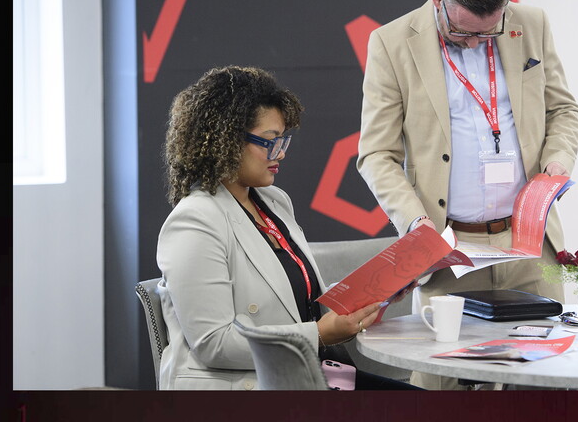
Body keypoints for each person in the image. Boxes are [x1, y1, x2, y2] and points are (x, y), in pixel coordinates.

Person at [357, 0, 578, 389]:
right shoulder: (391, 42)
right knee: (439, 385)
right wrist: (417, 224)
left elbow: (565, 111)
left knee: (547, 382)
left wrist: (558, 160)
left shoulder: (531, 24)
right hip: (448, 250)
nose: (477, 43)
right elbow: (376, 154)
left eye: (489, 32)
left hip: (530, 245)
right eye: (462, 33)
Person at [156, 65, 419, 390]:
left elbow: (299, 304)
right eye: (268, 141)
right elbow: (214, 344)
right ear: (225, 141)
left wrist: (373, 293)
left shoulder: (273, 201)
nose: (279, 153)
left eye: (283, 141)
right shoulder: (194, 221)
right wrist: (321, 333)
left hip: (309, 374)